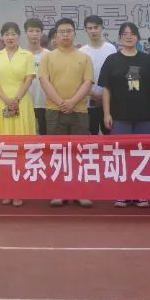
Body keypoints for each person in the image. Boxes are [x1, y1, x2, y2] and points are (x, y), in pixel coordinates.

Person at [99, 22, 150, 209]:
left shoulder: (148, 60)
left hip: (144, 115)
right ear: (119, 38)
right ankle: (122, 193)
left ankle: (141, 193)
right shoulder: (112, 60)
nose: (129, 36)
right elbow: (106, 89)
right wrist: (107, 113)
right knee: (121, 154)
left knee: (142, 154)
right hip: (119, 115)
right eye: (124, 34)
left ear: (138, 37)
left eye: (132, 33)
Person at [38, 18, 94, 208]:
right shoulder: (48, 57)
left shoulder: (84, 57)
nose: (65, 35)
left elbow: (87, 82)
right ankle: (58, 192)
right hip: (55, 111)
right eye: (61, 32)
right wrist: (61, 102)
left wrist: (72, 102)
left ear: (74, 34)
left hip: (79, 111)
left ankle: (80, 192)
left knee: (79, 153)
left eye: (68, 31)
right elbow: (44, 81)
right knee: (57, 153)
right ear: (56, 35)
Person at [0, 23, 37, 206]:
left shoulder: (27, 55)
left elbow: (29, 79)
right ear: (2, 37)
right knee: (2, 146)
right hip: (0, 102)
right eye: (6, 34)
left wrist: (15, 99)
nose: (10, 37)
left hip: (21, 103)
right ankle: (5, 189)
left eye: (13, 34)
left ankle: (19, 190)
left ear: (19, 36)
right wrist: (6, 99)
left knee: (20, 147)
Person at [78, 15, 117, 137]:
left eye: (96, 27)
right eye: (90, 28)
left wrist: (105, 95)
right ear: (85, 30)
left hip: (109, 101)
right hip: (89, 100)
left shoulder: (111, 49)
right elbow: (79, 78)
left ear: (102, 28)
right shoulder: (82, 52)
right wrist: (92, 93)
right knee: (91, 135)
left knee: (109, 134)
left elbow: (115, 74)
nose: (93, 31)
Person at [23, 18, 50, 136]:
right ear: (26, 33)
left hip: (45, 103)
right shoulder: (20, 55)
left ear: (42, 33)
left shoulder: (49, 55)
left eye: (37, 31)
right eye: (31, 31)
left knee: (45, 137)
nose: (34, 34)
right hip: (25, 102)